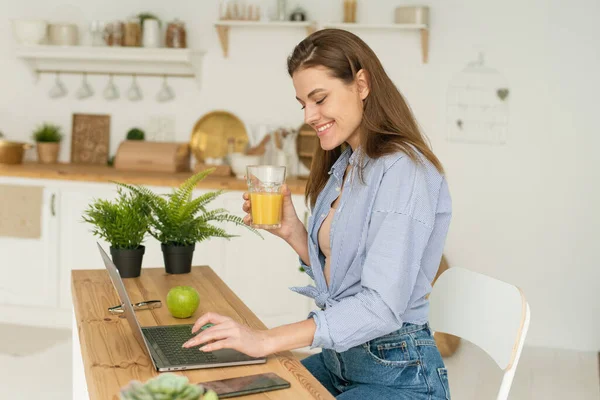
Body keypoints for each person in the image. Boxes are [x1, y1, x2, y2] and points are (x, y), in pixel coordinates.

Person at [183, 29, 452, 399]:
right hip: (338, 360)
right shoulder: (347, 165)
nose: (309, 116)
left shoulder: (405, 171)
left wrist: (265, 339)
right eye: (302, 104)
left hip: (397, 373)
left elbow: (381, 307)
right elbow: (346, 276)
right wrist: (295, 232)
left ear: (362, 84)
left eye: (319, 99)